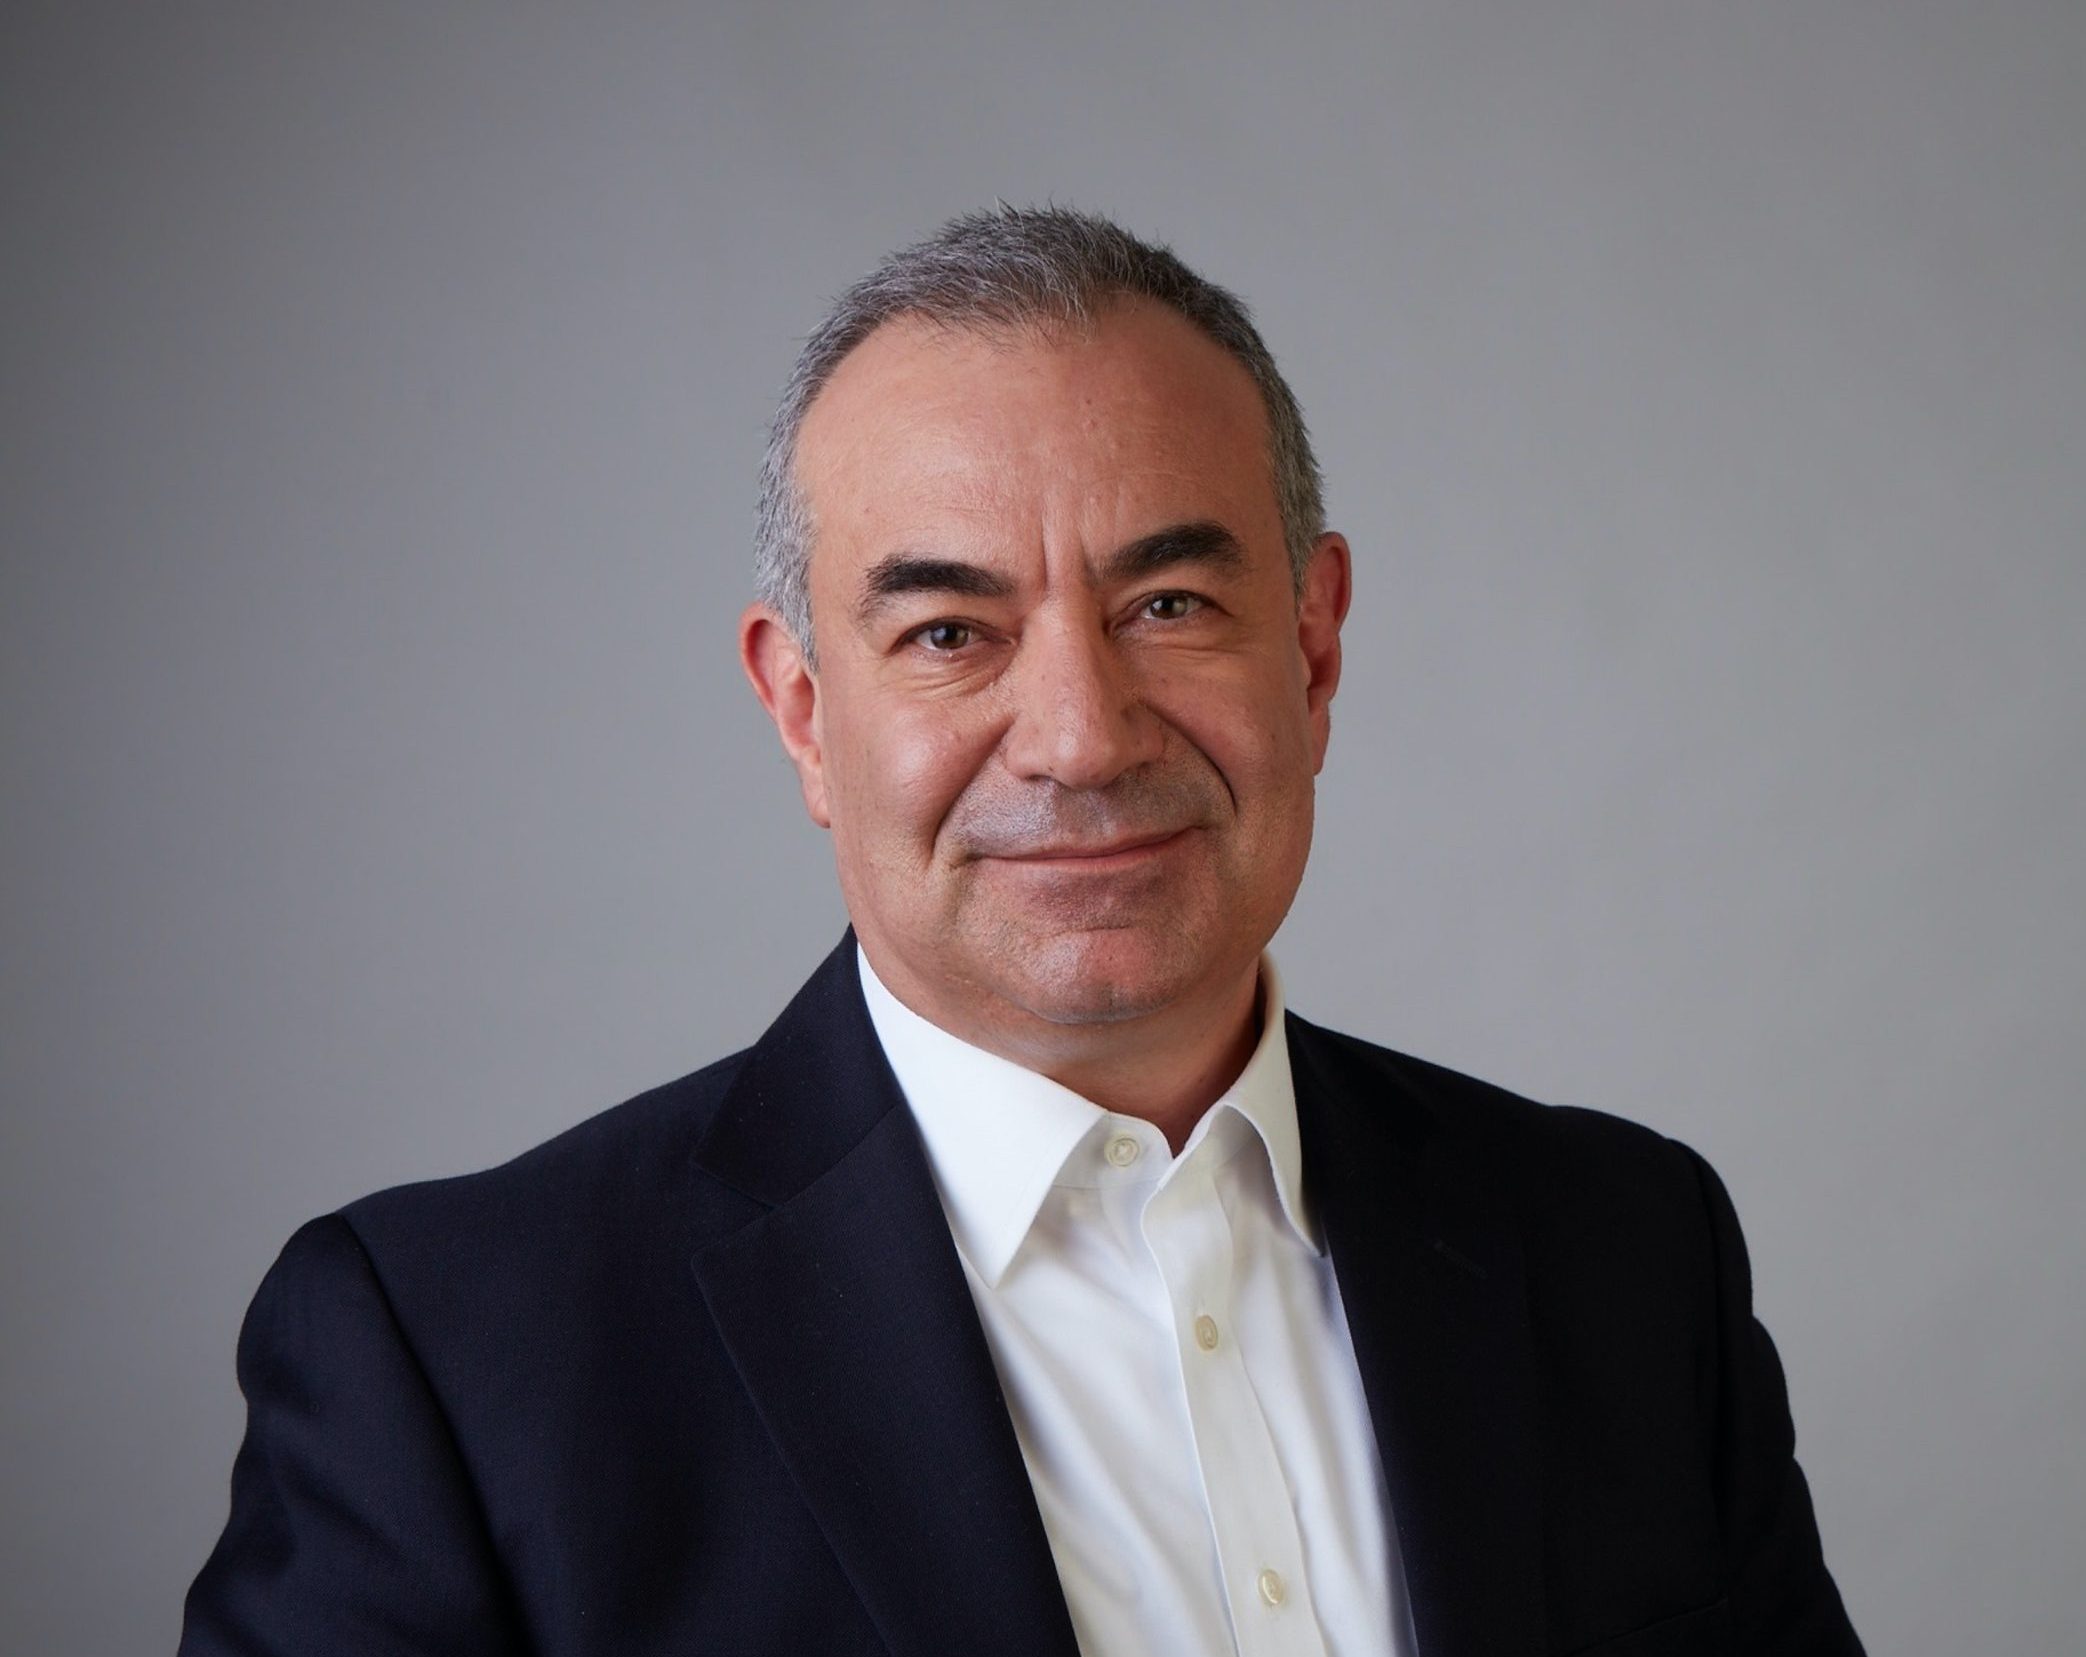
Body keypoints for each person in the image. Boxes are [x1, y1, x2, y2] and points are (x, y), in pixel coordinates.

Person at [180, 207, 1864, 1657]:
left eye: (1168, 604)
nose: (1078, 735)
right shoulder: (452, 1365)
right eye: (948, 632)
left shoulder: (1625, 1255)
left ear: (1313, 647)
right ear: (801, 711)